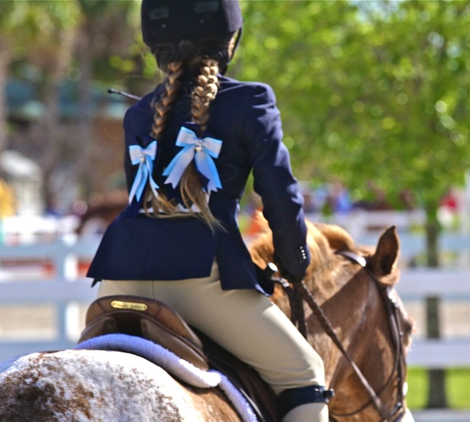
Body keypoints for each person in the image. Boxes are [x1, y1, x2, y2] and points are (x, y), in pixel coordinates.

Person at [87, 1, 330, 421]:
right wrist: (294, 263)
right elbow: (280, 195)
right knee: (305, 373)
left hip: (116, 280)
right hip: (201, 281)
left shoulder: (138, 113)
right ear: (230, 41)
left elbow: (141, 202)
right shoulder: (252, 101)